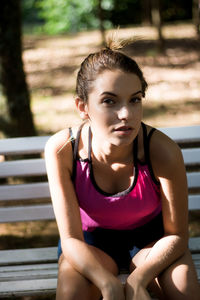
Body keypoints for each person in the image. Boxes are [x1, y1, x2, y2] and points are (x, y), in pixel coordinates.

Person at [45, 39, 200, 300]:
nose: (126, 113)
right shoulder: (63, 150)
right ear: (82, 107)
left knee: (182, 286)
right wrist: (108, 284)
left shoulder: (161, 150)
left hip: (153, 242)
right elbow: (70, 239)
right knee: (72, 291)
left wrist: (138, 279)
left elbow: (177, 235)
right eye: (109, 101)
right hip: (89, 244)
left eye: (135, 99)